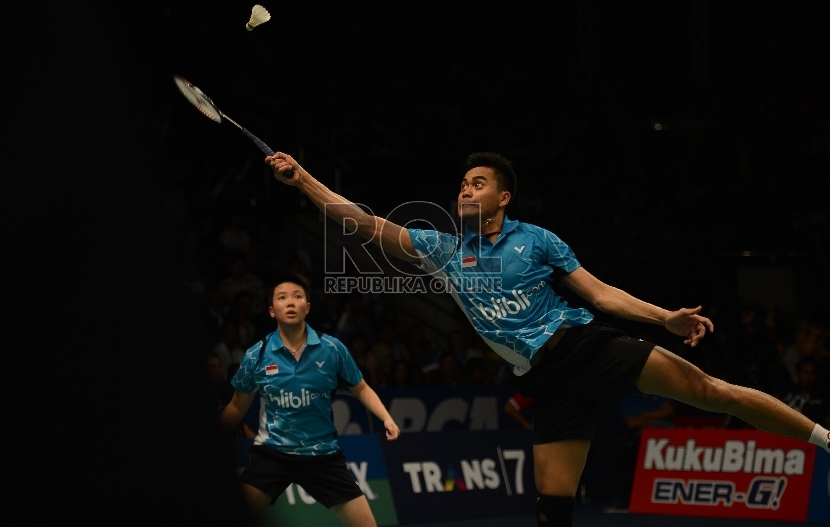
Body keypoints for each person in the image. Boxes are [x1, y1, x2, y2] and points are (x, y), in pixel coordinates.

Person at [265, 150, 830, 527]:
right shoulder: (440, 248)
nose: (466, 188)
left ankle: (825, 439)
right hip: (544, 380)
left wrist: (664, 319)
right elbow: (364, 223)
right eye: (462, 182)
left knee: (712, 391)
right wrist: (304, 179)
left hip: (585, 347)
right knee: (553, 502)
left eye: (478, 182)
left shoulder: (535, 239)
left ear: (504, 197)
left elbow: (601, 294)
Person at [219, 272, 401, 526]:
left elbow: (361, 388)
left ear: (308, 307)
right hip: (272, 454)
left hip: (322, 456)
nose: (291, 302)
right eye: (282, 298)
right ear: (272, 311)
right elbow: (237, 406)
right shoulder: (256, 356)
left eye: (297, 296)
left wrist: (386, 417)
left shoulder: (332, 349)